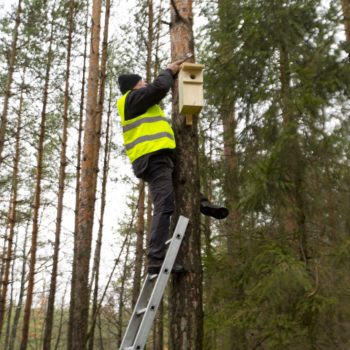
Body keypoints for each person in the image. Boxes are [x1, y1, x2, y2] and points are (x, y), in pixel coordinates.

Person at [117, 60, 228, 273]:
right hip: (152, 159)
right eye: (142, 82)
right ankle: (156, 260)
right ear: (133, 86)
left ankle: (202, 203)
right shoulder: (130, 99)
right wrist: (169, 71)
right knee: (165, 205)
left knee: (184, 181)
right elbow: (159, 88)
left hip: (160, 156)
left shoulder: (141, 103)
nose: (146, 83)